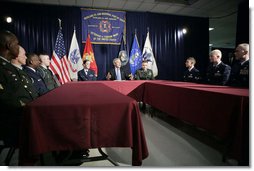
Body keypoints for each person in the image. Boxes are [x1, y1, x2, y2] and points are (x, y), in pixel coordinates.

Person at [0, 30, 37, 146]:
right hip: (15, 121)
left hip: (26, 115)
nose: (18, 47)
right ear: (9, 45)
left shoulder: (11, 68)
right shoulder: (2, 68)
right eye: (16, 44)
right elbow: (4, 99)